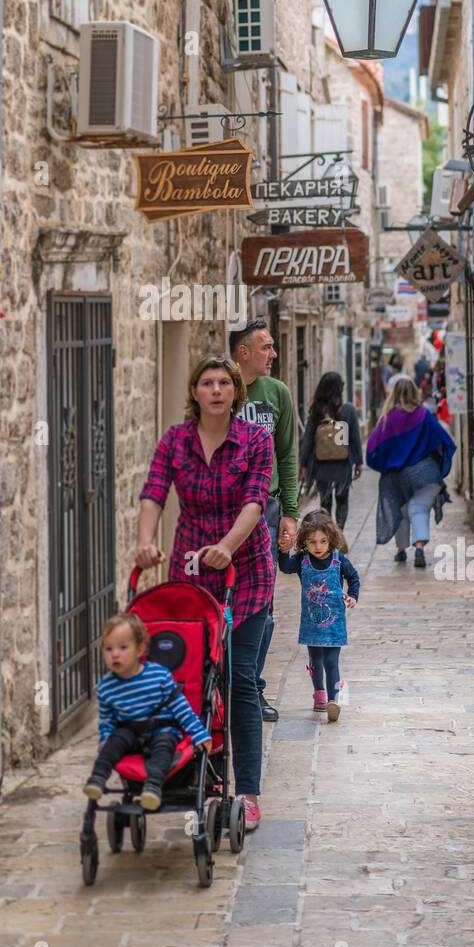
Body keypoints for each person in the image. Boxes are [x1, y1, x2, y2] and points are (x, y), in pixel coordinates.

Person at [135, 353, 274, 830]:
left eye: (224, 383)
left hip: (246, 573)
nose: (216, 390)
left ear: (236, 392)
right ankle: (199, 774)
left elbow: (256, 501)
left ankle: (248, 791)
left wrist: (228, 547)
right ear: (194, 392)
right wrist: (144, 542)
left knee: (237, 681)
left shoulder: (256, 439)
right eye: (207, 383)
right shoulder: (175, 441)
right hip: (191, 574)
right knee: (190, 677)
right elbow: (154, 492)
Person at [229, 318, 298, 725]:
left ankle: (252, 689)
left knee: (264, 606)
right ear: (244, 352)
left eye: (273, 346)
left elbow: (287, 454)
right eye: (266, 347)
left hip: (266, 510)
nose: (273, 354)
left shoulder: (278, 393)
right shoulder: (220, 387)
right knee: (223, 600)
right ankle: (223, 688)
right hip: (225, 508)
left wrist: (289, 512)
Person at [83, 612, 212, 810]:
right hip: (130, 733)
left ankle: (153, 787)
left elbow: (181, 708)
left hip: (162, 731)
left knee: (163, 750)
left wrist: (199, 733)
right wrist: (105, 738)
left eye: (123, 647)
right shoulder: (106, 686)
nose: (114, 654)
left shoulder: (159, 676)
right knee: (113, 743)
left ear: (140, 649)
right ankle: (98, 778)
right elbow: (107, 719)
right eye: (108, 649)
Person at [365, 374, 456, 568]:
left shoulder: (388, 420)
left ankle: (400, 550)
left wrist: (386, 464)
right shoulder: (424, 415)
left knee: (401, 510)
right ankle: (420, 547)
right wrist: (433, 458)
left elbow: (372, 451)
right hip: (425, 474)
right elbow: (444, 442)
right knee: (419, 509)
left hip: (397, 476)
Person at [278, 509, 360, 722]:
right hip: (311, 623)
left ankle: (333, 701)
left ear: (331, 539)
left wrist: (353, 596)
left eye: (323, 541)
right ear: (305, 541)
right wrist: (285, 549)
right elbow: (285, 567)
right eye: (312, 542)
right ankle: (319, 696)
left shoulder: (339, 560)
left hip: (334, 624)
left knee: (331, 662)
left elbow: (353, 578)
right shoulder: (302, 560)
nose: (318, 547)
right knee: (315, 661)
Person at [298, 372, 362, 529]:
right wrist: (359, 462)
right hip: (343, 463)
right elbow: (354, 438)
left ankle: (327, 532)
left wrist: (304, 466)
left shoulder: (318, 410)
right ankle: (339, 531)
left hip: (321, 464)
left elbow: (308, 440)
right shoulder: (348, 410)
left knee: (325, 501)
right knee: (342, 499)